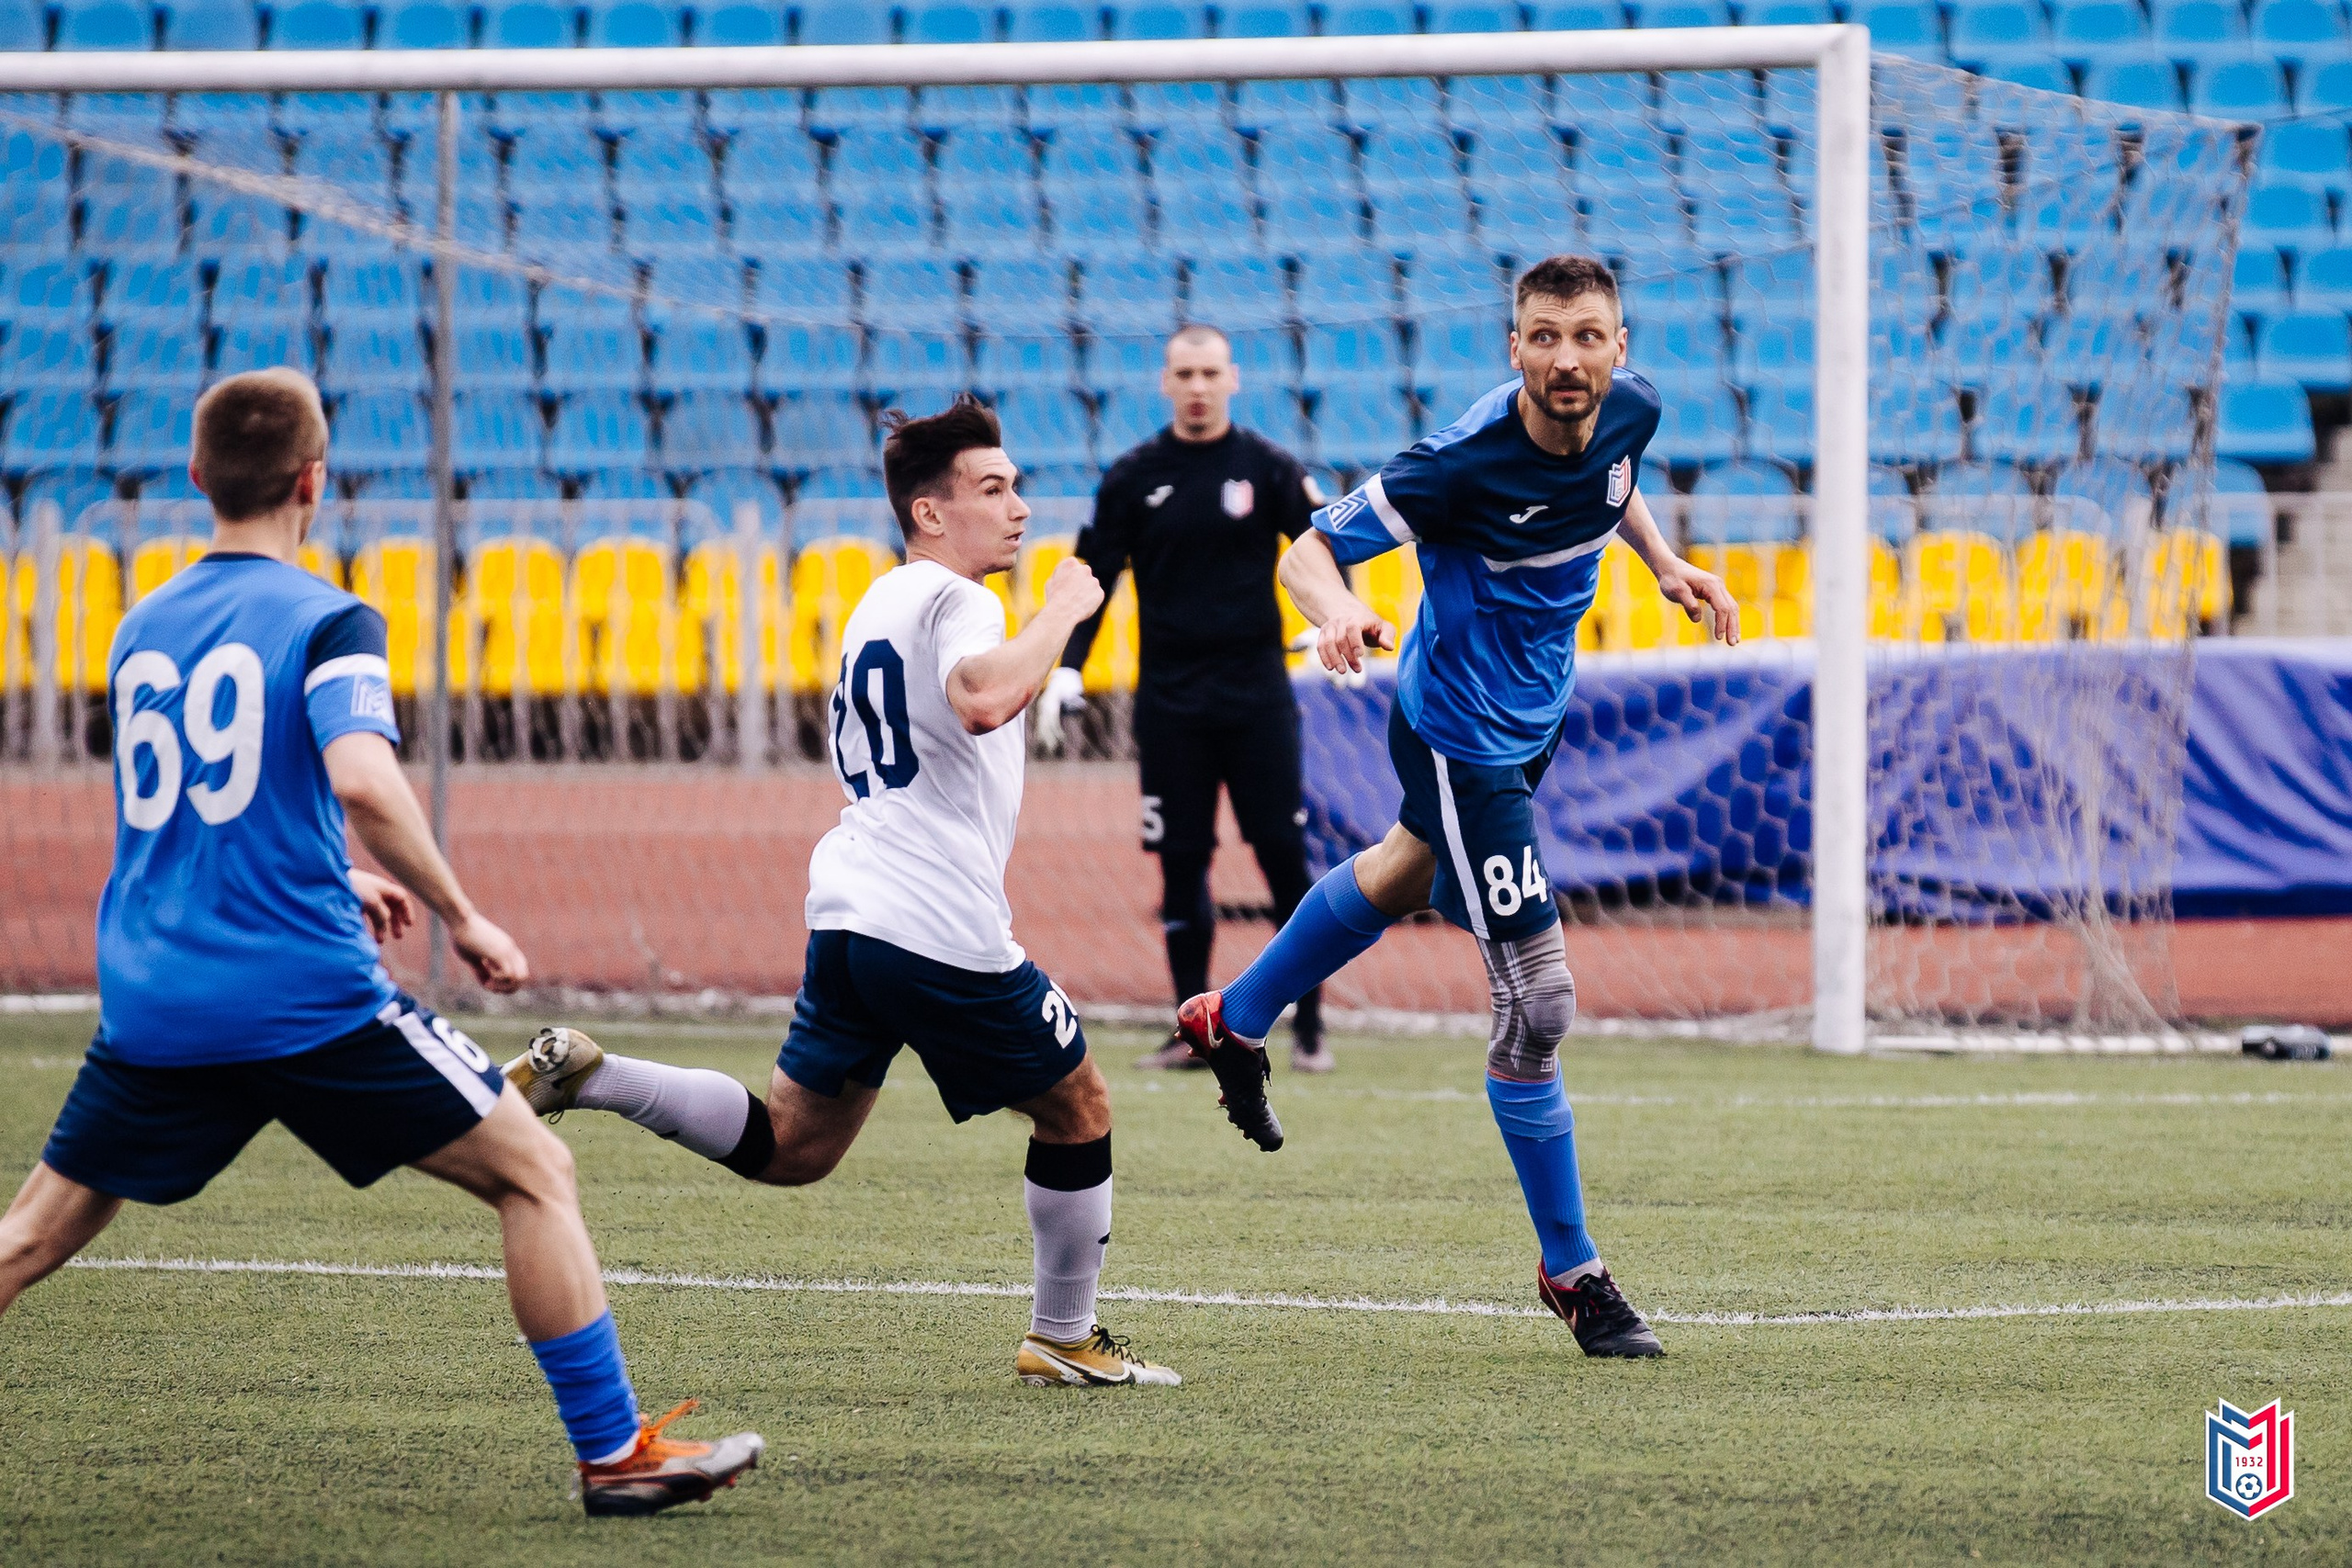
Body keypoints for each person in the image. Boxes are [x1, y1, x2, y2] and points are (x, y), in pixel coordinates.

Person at [0, 368, 763, 1514]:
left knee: (29, 1240)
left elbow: (204, 805)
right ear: (317, 480)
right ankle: (614, 1456)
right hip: (307, 1001)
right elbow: (359, 776)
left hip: (157, 1000)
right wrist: (462, 913)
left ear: (198, 477)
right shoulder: (329, 617)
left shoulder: (140, 625)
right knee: (535, 1174)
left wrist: (332, 871)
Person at [504, 394, 1181, 1390]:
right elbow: (984, 698)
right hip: (935, 922)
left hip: (851, 910)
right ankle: (1064, 1337)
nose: (1020, 508)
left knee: (794, 1145)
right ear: (929, 514)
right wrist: (1066, 615)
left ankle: (591, 1076)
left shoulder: (879, 600)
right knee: (1076, 1104)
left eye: (1018, 487)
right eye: (993, 489)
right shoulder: (962, 600)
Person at [1175, 257, 1742, 1359]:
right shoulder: (1460, 465)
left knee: (1398, 872)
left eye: (1587, 336)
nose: (1566, 359)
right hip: (1458, 732)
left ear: (1620, 347)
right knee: (1540, 1001)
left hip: (1537, 713)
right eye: (1543, 338)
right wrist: (1338, 613)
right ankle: (1572, 1272)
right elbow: (1307, 552)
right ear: (1513, 347)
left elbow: (1615, 484)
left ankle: (1232, 1018)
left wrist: (1667, 565)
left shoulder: (1633, 409)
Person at [1035, 324, 1335, 1074]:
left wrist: (1335, 622)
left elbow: (1327, 545)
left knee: (1284, 860)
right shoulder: (1133, 477)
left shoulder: (1266, 468)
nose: (1198, 387)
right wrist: (1068, 667)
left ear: (1233, 377)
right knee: (1180, 864)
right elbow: (1094, 577)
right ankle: (1193, 1030)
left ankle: (1308, 1029)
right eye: (1184, 374)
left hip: (1258, 699)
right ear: (1164, 383)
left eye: (1209, 372)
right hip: (1171, 705)